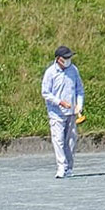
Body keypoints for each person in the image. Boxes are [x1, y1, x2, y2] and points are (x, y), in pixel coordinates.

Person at [41, 45, 84, 178]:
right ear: (59, 59)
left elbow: (79, 89)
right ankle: (61, 166)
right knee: (58, 140)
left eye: (70, 57)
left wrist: (79, 105)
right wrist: (59, 102)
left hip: (71, 112)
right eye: (66, 58)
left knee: (71, 140)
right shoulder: (50, 73)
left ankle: (69, 167)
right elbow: (45, 93)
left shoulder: (73, 70)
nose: (69, 60)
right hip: (56, 113)